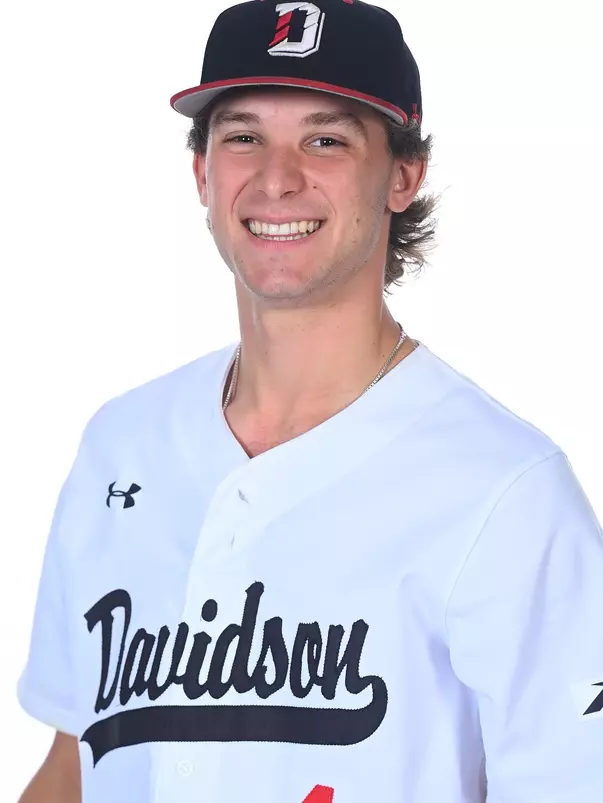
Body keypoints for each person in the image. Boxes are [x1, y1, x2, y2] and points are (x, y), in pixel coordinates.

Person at [16, 1, 603, 802]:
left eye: (325, 139)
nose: (276, 177)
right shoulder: (122, 445)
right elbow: (72, 769)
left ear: (402, 175)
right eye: (242, 136)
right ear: (201, 172)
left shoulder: (506, 491)